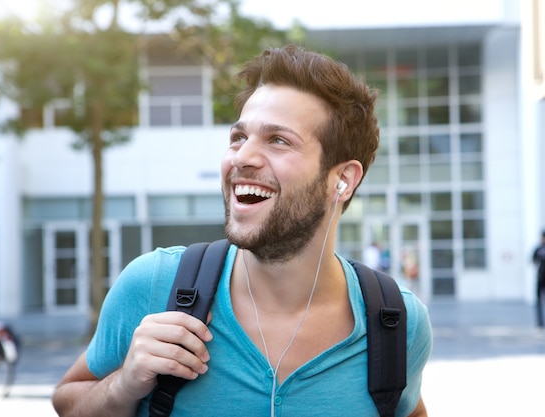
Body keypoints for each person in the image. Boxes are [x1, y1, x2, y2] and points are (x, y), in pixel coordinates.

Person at [51, 45, 432, 417]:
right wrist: (124, 384)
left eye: (278, 140)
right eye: (238, 137)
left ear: (343, 179)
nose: (242, 158)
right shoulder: (153, 284)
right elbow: (68, 401)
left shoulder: (397, 321)